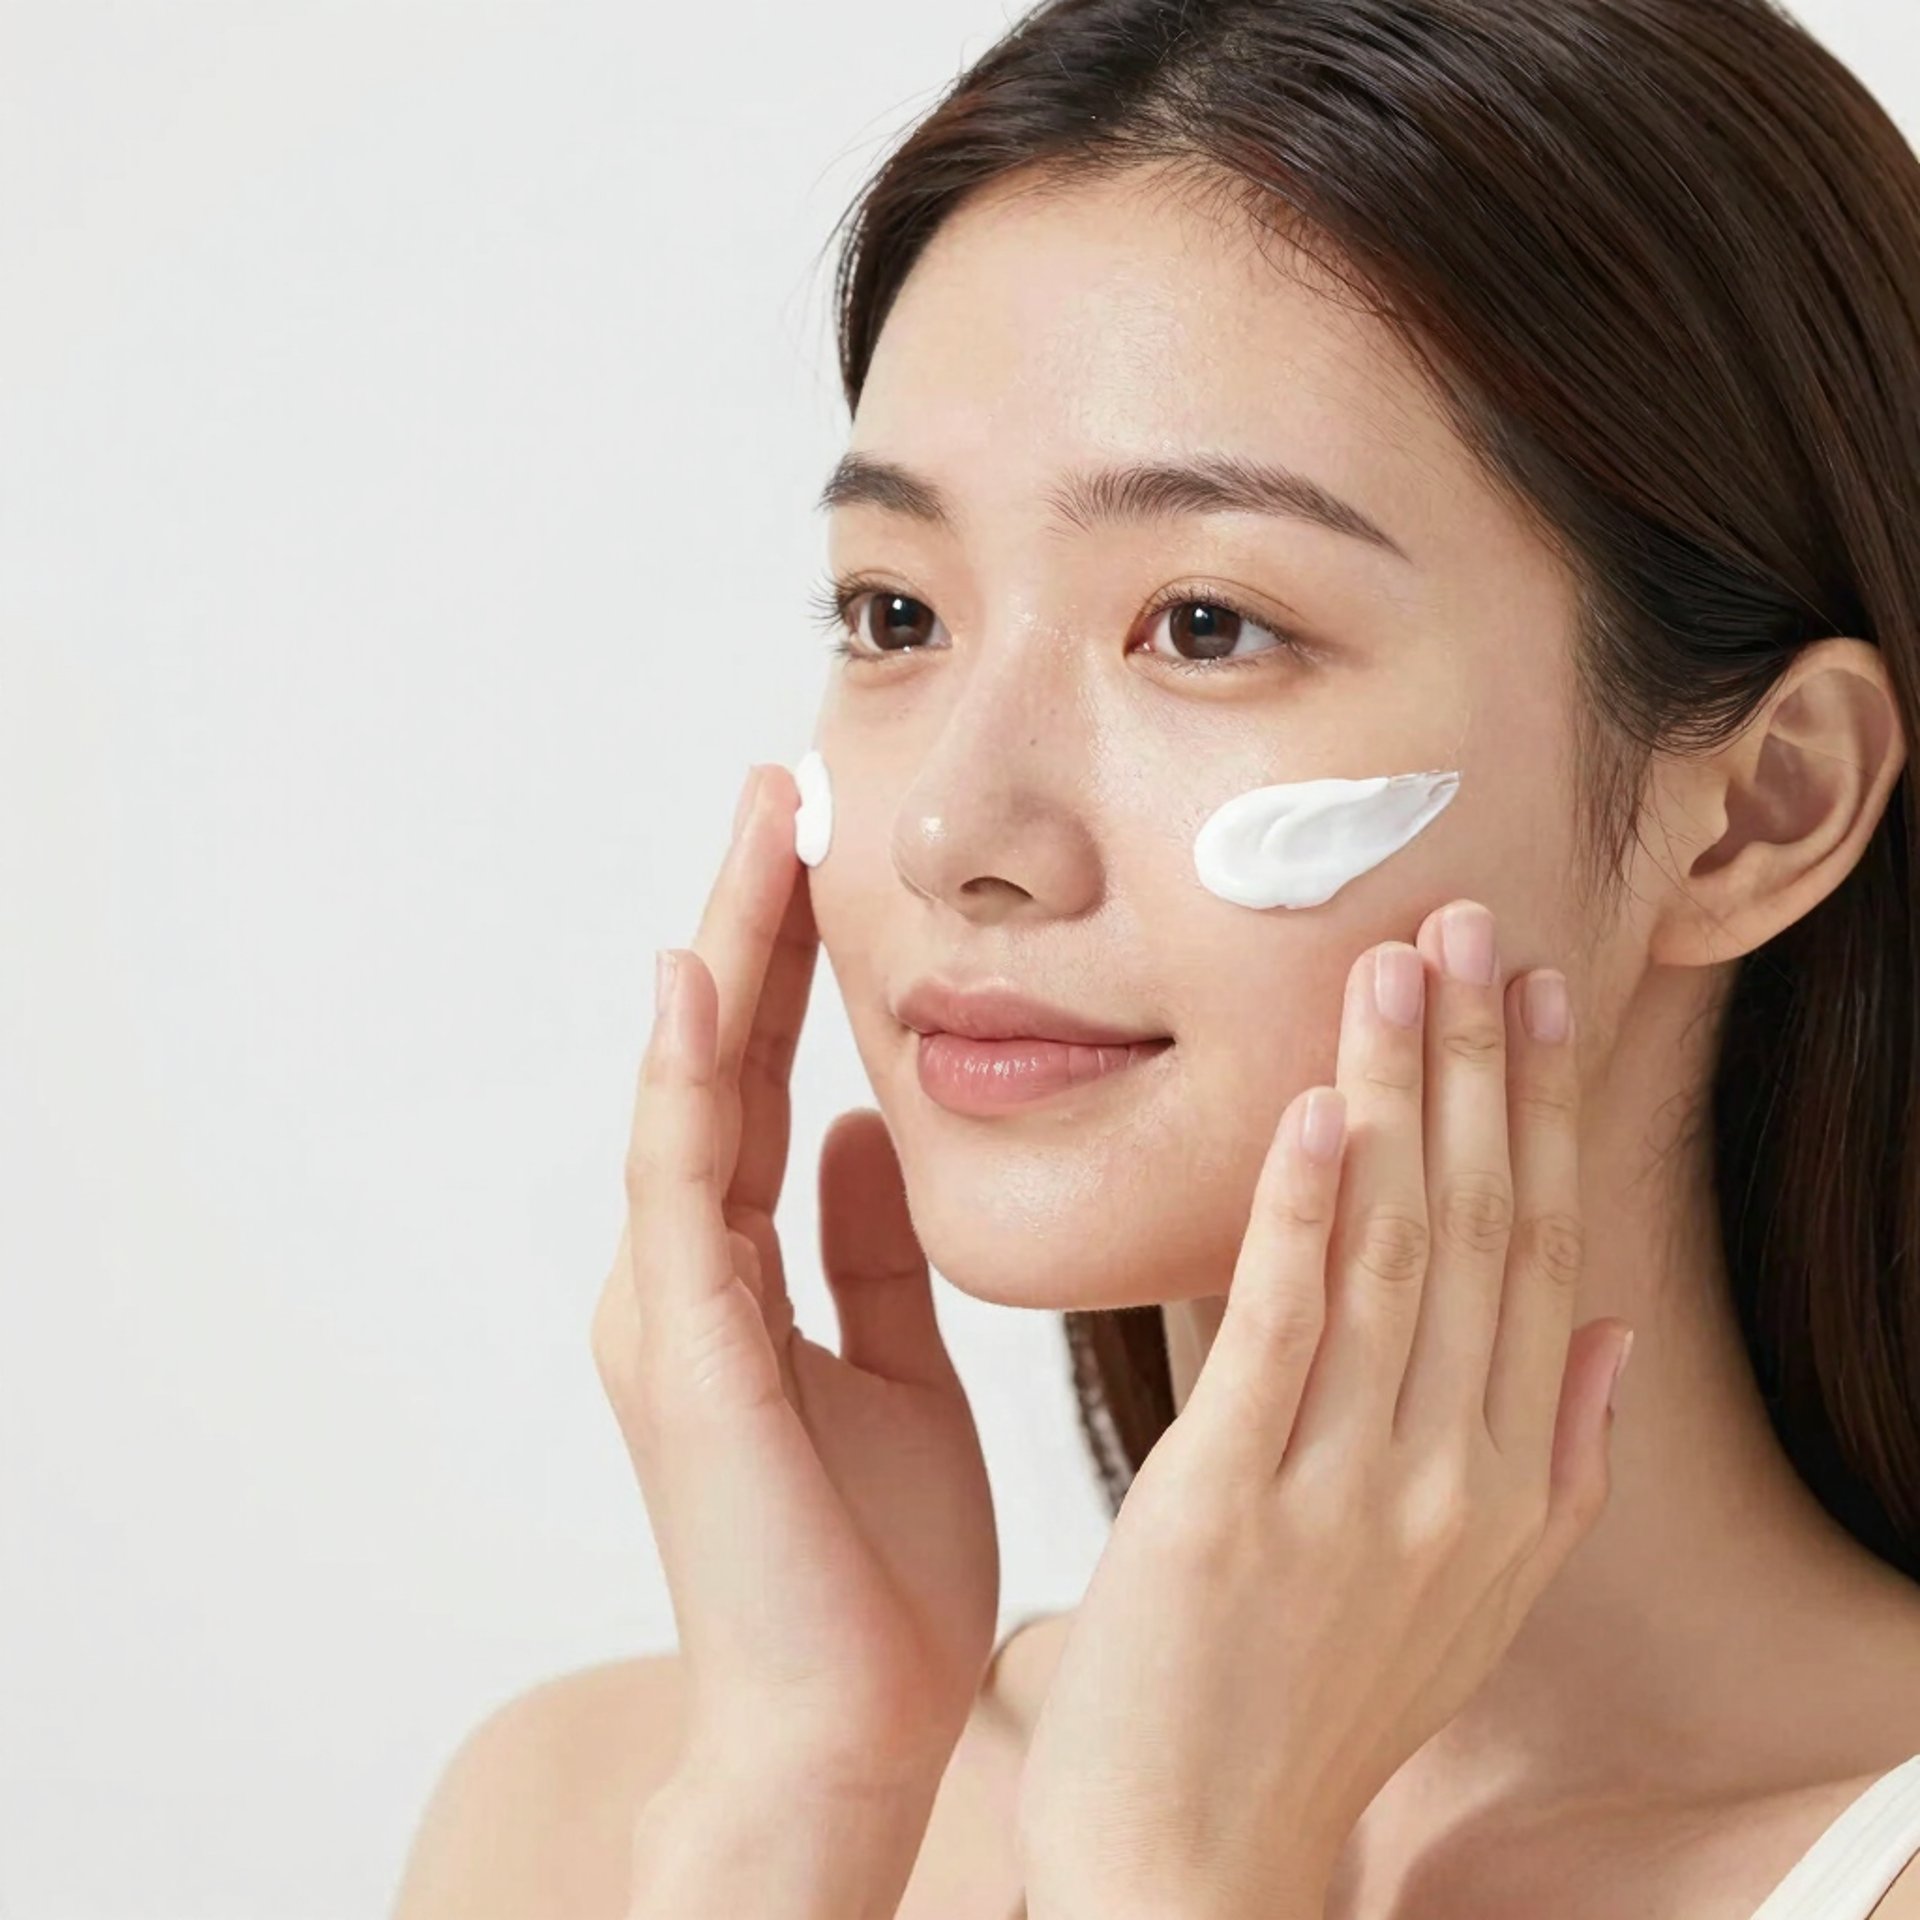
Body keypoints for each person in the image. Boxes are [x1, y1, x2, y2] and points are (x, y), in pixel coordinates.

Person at [390, 1, 1920, 1915]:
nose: (960, 832)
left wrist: (1178, 1876)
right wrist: (805, 1800)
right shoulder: (599, 1819)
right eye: (894, 610)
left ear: (1765, 804)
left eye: (1205, 624)